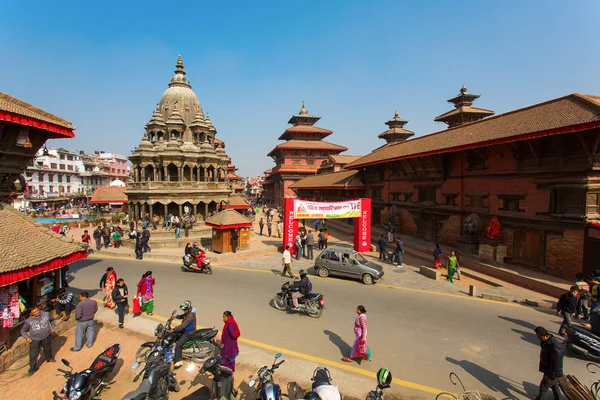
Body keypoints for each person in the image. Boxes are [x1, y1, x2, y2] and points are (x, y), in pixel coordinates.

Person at [21, 306, 56, 375]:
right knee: (33, 354)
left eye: (37, 310)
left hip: (46, 335)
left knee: (47, 348)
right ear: (31, 314)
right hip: (34, 339)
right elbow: (23, 330)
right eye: (35, 312)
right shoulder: (28, 321)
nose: (37, 312)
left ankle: (49, 358)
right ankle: (32, 369)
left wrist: (53, 327)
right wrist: (26, 337)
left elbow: (52, 319)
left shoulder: (46, 314)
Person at [533, 326, 564, 400]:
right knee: (554, 386)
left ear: (546, 336)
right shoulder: (545, 342)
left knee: (543, 387)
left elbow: (556, 363)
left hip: (554, 372)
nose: (538, 338)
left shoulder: (554, 347)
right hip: (549, 370)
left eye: (539, 336)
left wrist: (551, 376)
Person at [170, 300, 197, 368]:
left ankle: (178, 361)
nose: (184, 311)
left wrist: (173, 329)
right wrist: (176, 317)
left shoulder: (190, 316)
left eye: (184, 310)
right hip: (186, 330)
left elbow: (182, 326)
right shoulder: (188, 313)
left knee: (179, 344)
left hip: (189, 332)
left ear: (188, 309)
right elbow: (184, 316)